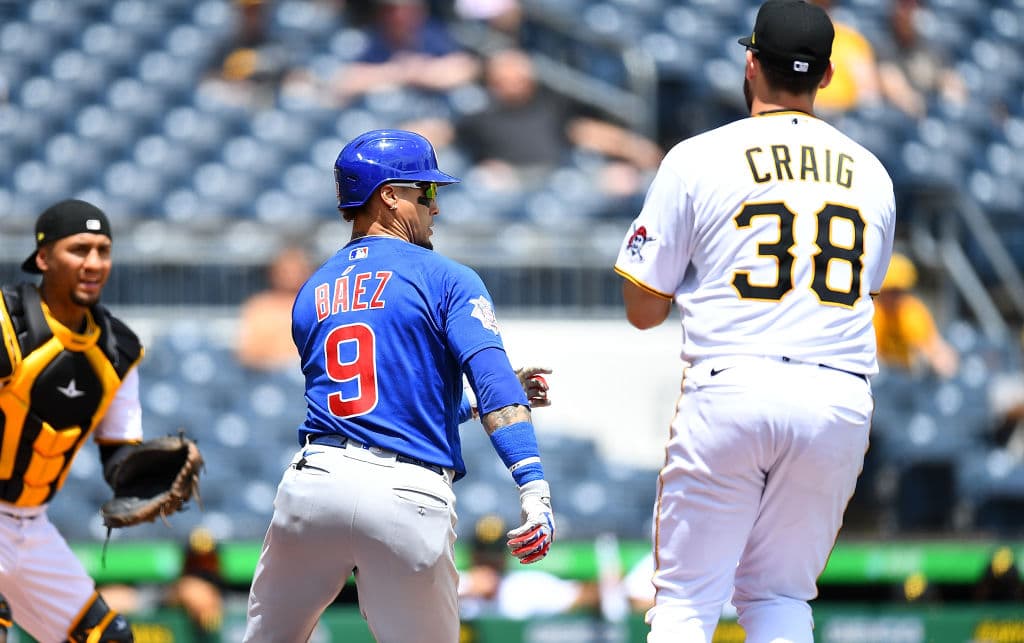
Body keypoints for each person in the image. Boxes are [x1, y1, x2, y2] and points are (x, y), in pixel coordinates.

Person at [613, 1, 896, 641]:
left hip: (733, 383)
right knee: (779, 597)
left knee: (686, 601)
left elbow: (641, 310)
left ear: (750, 63)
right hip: (837, 394)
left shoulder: (697, 157)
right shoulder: (874, 176)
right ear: (827, 76)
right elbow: (864, 290)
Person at [243, 129, 556, 642]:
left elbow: (375, 403)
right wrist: (534, 488)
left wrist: (471, 409)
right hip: (405, 492)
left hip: (314, 483)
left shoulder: (311, 290)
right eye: (426, 192)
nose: (436, 207)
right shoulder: (447, 276)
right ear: (388, 194)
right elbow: (497, 383)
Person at [0, 199, 146, 642]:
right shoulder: (7, 322)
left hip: (31, 524)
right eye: (79, 249)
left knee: (109, 638)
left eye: (103, 250)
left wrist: (148, 474)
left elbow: (119, 453)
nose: (94, 262)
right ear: (43, 258)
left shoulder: (118, 349)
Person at [458, 514, 599, 620]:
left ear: (506, 556)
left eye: (495, 554)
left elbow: (581, 595)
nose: (489, 561)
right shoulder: (456, 581)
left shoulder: (524, 585)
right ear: (472, 555)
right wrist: (467, 590)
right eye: (483, 553)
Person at [873, 252, 958, 379]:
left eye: (899, 291)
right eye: (890, 290)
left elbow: (934, 346)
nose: (894, 297)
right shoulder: (873, 312)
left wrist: (944, 363)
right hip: (880, 377)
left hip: (906, 376)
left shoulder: (911, 311)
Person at [235, 244, 314, 371]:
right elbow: (247, 353)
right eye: (286, 271)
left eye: (297, 270)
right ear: (273, 272)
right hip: (267, 377)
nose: (291, 276)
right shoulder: (259, 307)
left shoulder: (319, 304)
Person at [809, 0, 882, 114]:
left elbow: (868, 90)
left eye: (824, 5)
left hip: (846, 114)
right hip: (808, 111)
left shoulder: (849, 37)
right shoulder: (795, 39)